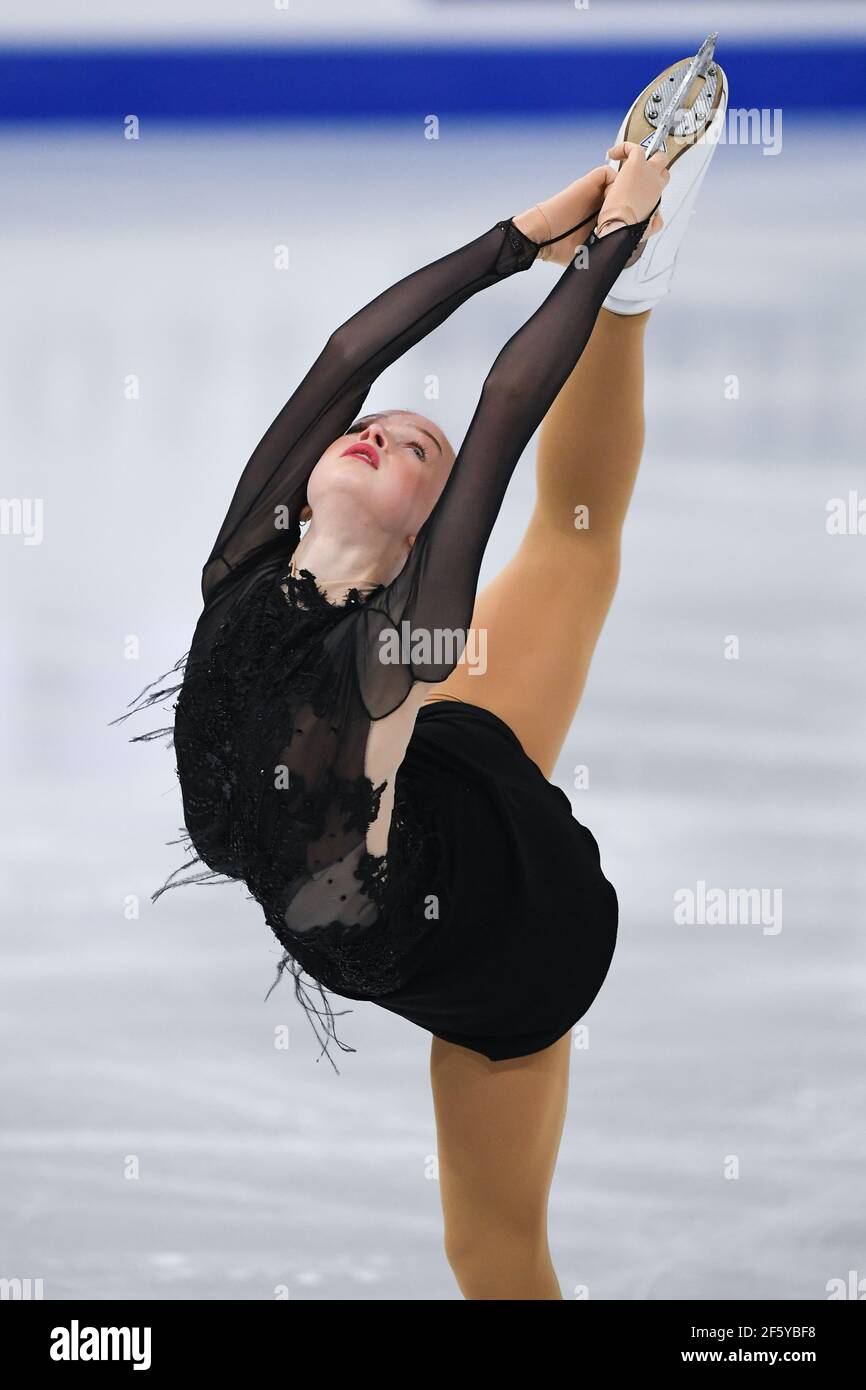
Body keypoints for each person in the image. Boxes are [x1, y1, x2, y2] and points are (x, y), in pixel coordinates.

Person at [113, 49, 727, 1299]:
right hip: (428, 843)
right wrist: (527, 237)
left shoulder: (403, 652)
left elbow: (502, 412)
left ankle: (636, 295)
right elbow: (350, 349)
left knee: (491, 1259)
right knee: (578, 552)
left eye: (411, 452)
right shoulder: (244, 565)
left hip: (505, 924)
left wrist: (611, 246)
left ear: (416, 543)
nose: (385, 424)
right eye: (387, 426)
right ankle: (631, 280)